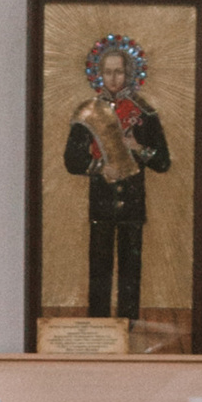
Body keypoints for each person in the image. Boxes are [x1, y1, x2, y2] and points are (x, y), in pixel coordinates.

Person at [64, 33, 170, 324]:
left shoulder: (145, 113)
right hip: (101, 203)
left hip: (133, 206)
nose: (113, 78)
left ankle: (129, 327)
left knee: (130, 271)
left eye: (119, 71)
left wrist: (139, 149)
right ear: (99, 75)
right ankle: (99, 327)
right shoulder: (88, 113)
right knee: (99, 270)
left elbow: (163, 162)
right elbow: (71, 160)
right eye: (108, 72)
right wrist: (98, 167)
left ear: (129, 73)